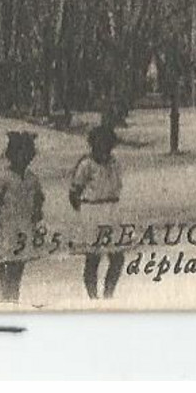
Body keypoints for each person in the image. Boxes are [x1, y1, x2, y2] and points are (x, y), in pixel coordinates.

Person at [0, 132, 44, 304]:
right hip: (5, 231)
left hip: (23, 231)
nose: (23, 157)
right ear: (11, 154)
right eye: (19, 152)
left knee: (17, 272)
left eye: (28, 153)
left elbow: (38, 204)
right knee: (3, 270)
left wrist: (37, 226)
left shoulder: (32, 179)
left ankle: (13, 302)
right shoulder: (2, 179)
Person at [69, 125, 125, 300]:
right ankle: (93, 297)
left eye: (108, 144)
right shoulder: (86, 164)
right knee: (93, 258)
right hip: (92, 211)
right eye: (101, 144)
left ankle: (108, 294)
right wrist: (85, 213)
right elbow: (74, 193)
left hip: (111, 211)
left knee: (117, 258)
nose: (105, 148)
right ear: (93, 144)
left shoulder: (115, 163)